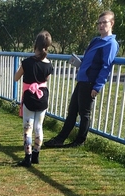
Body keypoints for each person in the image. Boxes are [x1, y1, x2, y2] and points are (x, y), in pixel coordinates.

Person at [44, 11, 118, 148]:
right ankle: (60, 139)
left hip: (90, 82)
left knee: (84, 113)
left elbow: (106, 66)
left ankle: (79, 141)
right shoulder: (96, 41)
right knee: (72, 111)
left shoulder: (111, 43)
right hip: (82, 80)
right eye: (99, 23)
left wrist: (97, 86)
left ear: (111, 23)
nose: (101, 25)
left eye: (104, 22)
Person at [13, 30, 53, 166]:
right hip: (42, 98)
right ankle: (36, 155)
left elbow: (16, 77)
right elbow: (46, 78)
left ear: (35, 44)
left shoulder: (27, 62)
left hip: (30, 97)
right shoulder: (49, 64)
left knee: (27, 128)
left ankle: (27, 157)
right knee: (38, 127)